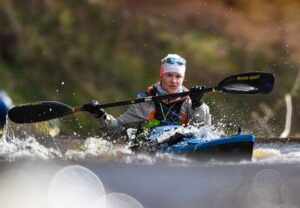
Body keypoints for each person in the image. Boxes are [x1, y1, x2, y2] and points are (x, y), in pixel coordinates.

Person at [83, 54, 211, 149]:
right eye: (169, 75)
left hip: (182, 146)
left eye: (178, 76)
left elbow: (203, 131)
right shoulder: (144, 103)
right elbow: (117, 130)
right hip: (150, 150)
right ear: (161, 76)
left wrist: (198, 104)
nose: (174, 81)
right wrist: (100, 115)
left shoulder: (190, 102)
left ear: (183, 78)